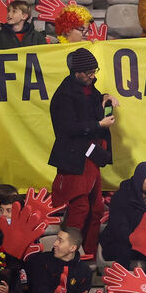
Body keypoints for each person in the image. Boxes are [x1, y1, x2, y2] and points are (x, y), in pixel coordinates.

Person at [49, 48, 115, 259]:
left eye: (94, 71)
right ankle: (69, 254)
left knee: (96, 208)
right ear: (76, 72)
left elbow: (93, 101)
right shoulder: (64, 95)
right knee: (80, 207)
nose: (93, 75)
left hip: (90, 156)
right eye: (88, 72)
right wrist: (99, 124)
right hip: (75, 158)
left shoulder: (88, 88)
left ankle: (88, 252)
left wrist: (105, 99)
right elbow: (67, 128)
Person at [102, 161, 146, 274]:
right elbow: (118, 227)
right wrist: (135, 239)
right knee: (123, 250)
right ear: (140, 178)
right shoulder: (121, 196)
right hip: (125, 241)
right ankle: (122, 286)